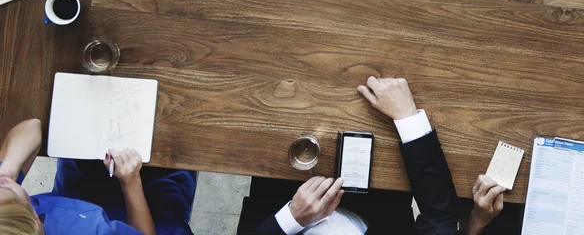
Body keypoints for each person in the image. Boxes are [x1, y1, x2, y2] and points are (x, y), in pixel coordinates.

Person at [236, 76, 460, 234]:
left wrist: (292, 217)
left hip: (280, 188)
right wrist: (407, 117)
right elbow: (439, 217)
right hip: (382, 198)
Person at [0, 118, 197, 234]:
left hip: (79, 191)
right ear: (34, 219)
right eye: (6, 185)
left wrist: (8, 168)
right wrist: (131, 182)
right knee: (185, 134)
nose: (4, 183)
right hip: (153, 208)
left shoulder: (9, 211)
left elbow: (31, 126)